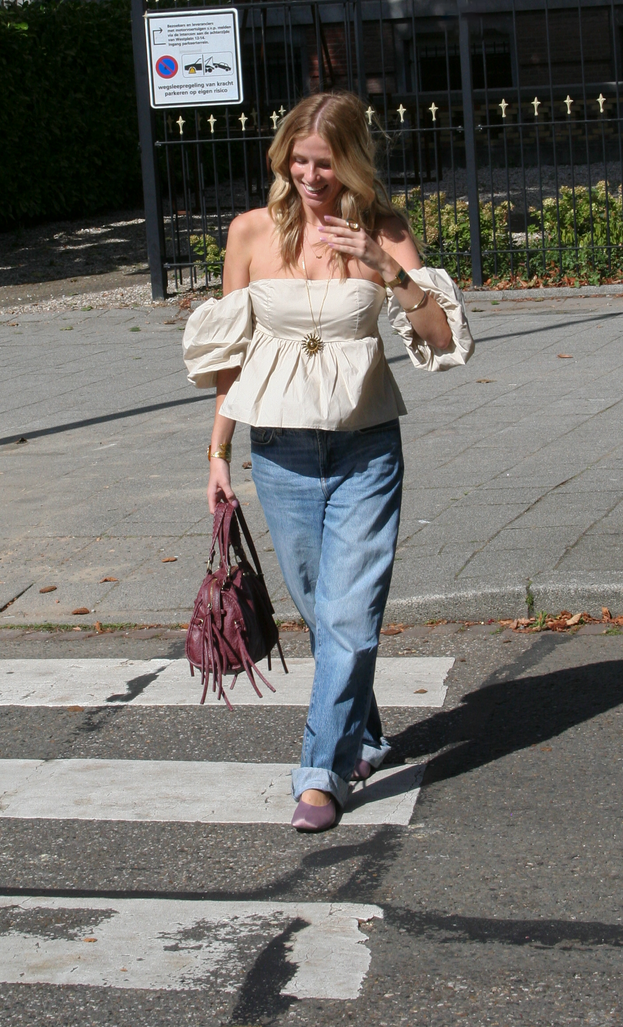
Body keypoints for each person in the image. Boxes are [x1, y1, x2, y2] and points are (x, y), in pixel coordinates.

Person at [182, 91, 473, 831]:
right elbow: (231, 357)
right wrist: (217, 451)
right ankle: (366, 734)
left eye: (325, 163)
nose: (310, 176)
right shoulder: (249, 234)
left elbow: (442, 340)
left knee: (350, 613)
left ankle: (320, 772)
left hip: (365, 444)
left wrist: (387, 269)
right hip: (278, 448)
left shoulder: (385, 229)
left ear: (352, 162)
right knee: (322, 608)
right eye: (299, 161)